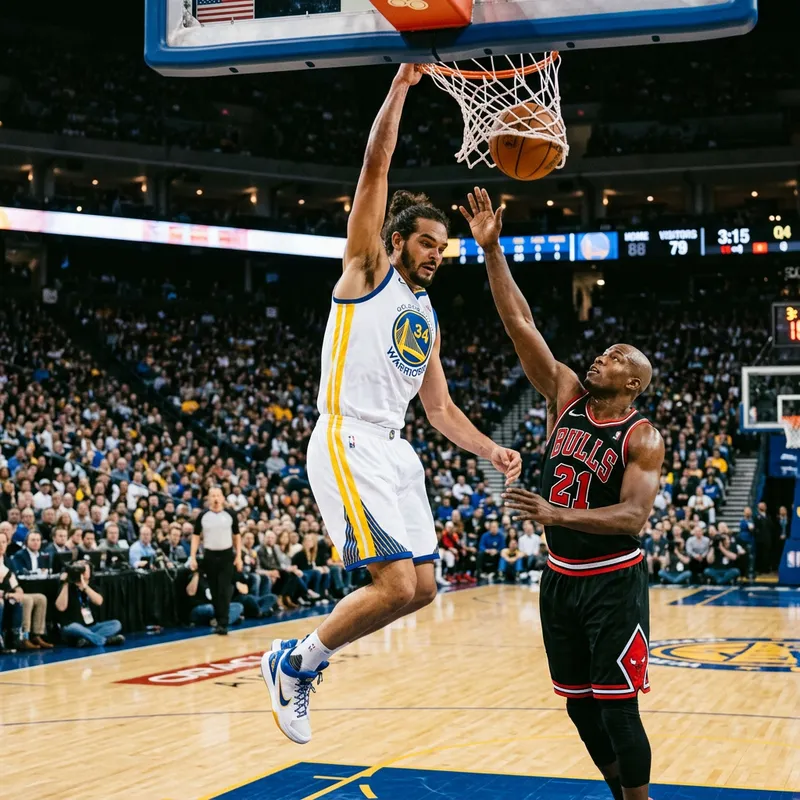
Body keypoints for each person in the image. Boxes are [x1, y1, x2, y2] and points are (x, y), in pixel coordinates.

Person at [261, 65, 521, 747]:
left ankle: (300, 660)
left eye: (445, 247)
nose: (438, 254)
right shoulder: (367, 271)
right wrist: (400, 90)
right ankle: (294, 664)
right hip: (347, 439)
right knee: (393, 580)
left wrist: (489, 448)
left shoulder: (427, 316)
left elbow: (439, 409)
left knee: (424, 588)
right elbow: (374, 170)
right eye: (428, 243)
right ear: (399, 241)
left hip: (396, 447)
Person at [463, 186, 663, 800]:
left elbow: (633, 516)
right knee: (580, 709)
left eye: (615, 357)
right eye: (603, 352)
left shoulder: (643, 435)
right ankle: (618, 793)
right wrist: (492, 250)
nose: (601, 356)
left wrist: (554, 510)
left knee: (619, 710)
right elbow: (519, 321)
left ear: (633, 381)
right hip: (560, 577)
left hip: (612, 579)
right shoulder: (566, 396)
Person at [189, 487, 242, 636]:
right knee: (214, 590)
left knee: (224, 589)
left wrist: (238, 556)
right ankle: (219, 620)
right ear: (208, 498)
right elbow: (195, 536)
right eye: (213, 496)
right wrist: (192, 556)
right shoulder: (203, 515)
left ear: (223, 498)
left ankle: (223, 622)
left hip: (226, 555)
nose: (216, 498)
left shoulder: (230, 514)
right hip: (210, 556)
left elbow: (237, 536)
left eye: (218, 495)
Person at [55, 561, 125, 647]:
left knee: (116, 624)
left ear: (90, 573)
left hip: (91, 626)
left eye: (84, 569)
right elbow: (61, 607)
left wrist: (85, 587)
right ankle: (104, 640)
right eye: (79, 569)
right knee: (75, 627)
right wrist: (65, 583)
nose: (82, 572)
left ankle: (86, 640)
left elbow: (99, 601)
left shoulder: (93, 587)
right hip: (72, 626)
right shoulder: (67, 586)